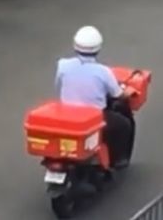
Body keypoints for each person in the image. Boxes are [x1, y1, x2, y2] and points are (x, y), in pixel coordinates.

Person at [55, 26, 134, 169]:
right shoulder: (103, 72)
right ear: (98, 48)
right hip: (94, 118)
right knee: (123, 125)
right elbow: (117, 94)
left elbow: (58, 84)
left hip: (66, 115)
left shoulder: (62, 65)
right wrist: (128, 91)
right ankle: (118, 160)